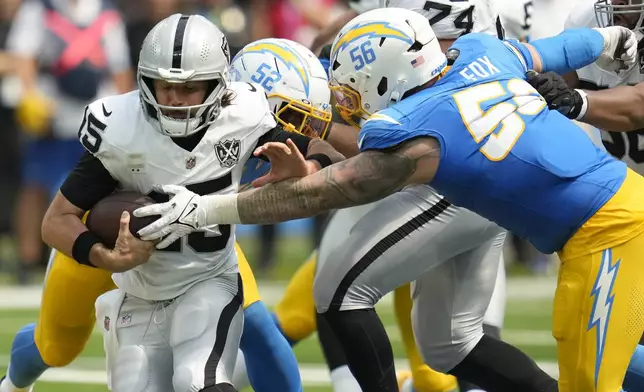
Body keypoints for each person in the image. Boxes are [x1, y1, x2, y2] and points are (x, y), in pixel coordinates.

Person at [136, 7, 644, 392]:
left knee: (589, 380)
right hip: (609, 219)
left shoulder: (419, 130)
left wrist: (205, 209)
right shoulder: (483, 53)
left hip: (609, 235)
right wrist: (613, 39)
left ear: (389, 75)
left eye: (353, 89)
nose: (348, 101)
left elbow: (326, 192)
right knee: (453, 345)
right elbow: (561, 46)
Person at [1, 13, 344, 392]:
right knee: (56, 346)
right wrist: (101, 253)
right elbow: (57, 220)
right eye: (165, 86)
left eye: (191, 87)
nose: (176, 100)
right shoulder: (119, 128)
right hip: (103, 238)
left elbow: (328, 157)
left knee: (258, 331)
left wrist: (309, 164)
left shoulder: (246, 117)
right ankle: (13, 383)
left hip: (197, 261)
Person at [267, 2, 511, 390]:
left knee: (450, 356)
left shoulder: (458, 68)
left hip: (458, 174)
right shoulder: (378, 69)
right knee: (319, 300)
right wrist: (316, 149)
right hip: (422, 171)